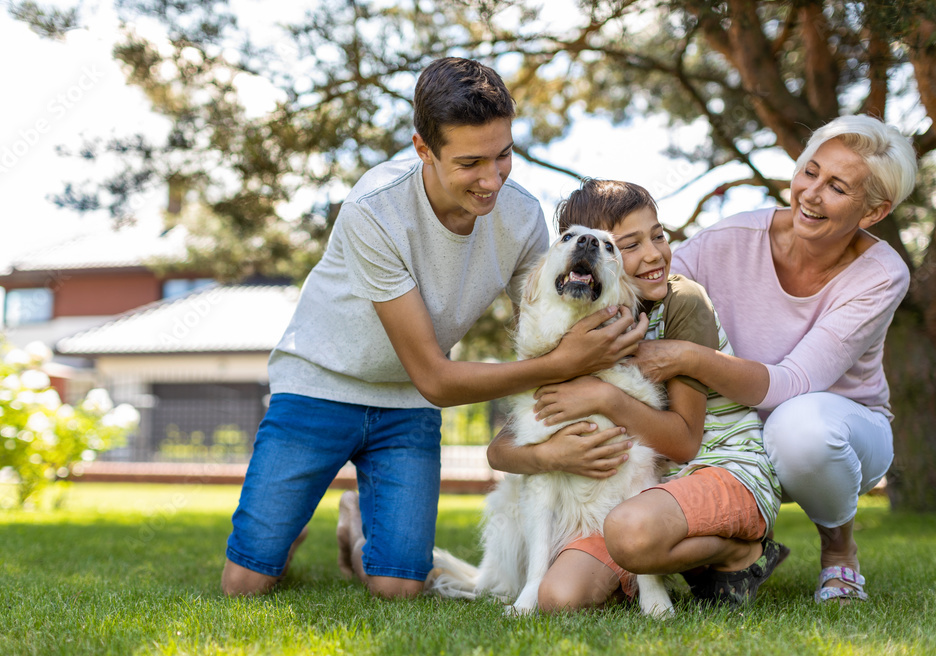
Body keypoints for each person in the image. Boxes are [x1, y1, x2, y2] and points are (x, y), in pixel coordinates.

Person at [220, 57, 648, 599]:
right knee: (245, 583)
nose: (492, 180)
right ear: (423, 149)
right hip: (320, 385)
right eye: (471, 162)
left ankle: (354, 523)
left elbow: (548, 325)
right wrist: (563, 364)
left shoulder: (520, 217)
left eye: (504, 156)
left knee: (398, 588)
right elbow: (438, 379)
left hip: (405, 408)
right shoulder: (374, 209)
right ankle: (292, 518)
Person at [631, 115, 917, 603]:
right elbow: (648, 289)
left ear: (872, 212)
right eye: (810, 171)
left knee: (797, 425)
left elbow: (794, 382)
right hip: (730, 438)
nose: (811, 193)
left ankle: (840, 552)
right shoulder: (732, 238)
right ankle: (740, 548)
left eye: (837, 187)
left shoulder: (882, 274)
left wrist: (686, 355)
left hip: (839, 436)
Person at [487, 179, 782, 611]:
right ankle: (646, 560)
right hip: (644, 498)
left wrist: (603, 398)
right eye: (630, 244)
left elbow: (683, 443)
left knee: (630, 531)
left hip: (720, 468)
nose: (652, 254)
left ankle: (737, 552)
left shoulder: (683, 301)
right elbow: (502, 450)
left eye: (658, 237)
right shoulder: (574, 326)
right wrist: (553, 456)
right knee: (559, 597)